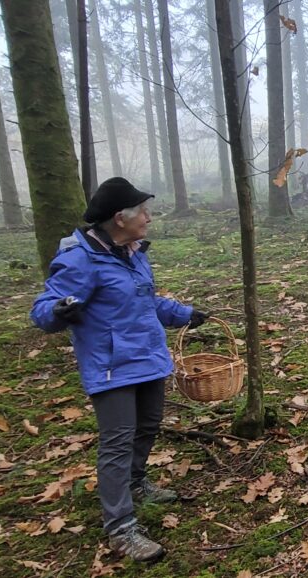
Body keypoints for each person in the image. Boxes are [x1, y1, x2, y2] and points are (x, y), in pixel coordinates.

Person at [30, 178, 208, 563]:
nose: (149, 218)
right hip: (111, 366)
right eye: (143, 212)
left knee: (148, 426)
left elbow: (145, 301)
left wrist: (184, 314)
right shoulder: (80, 258)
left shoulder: (133, 252)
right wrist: (57, 312)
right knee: (117, 442)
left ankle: (136, 482)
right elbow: (44, 307)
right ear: (119, 218)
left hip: (147, 357)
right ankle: (120, 526)